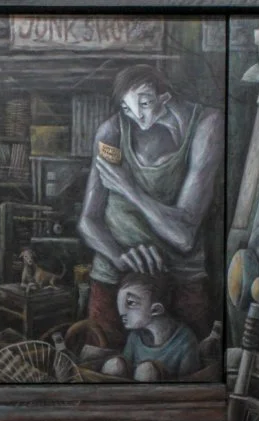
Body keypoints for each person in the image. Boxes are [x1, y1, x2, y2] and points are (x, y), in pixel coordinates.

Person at [77, 64, 223, 347]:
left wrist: (129, 189)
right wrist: (119, 256)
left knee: (187, 362)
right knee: (101, 362)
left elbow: (183, 236)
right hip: (114, 275)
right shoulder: (112, 131)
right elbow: (88, 221)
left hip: (179, 276)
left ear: (165, 97)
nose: (136, 116)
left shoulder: (206, 124)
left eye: (144, 103)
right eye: (127, 108)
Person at [100, 272, 201, 381]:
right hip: (133, 390)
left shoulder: (185, 340)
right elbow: (126, 370)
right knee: (114, 364)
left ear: (156, 309)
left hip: (166, 391)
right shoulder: (135, 337)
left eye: (130, 303)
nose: (122, 312)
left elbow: (189, 381)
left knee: (147, 370)